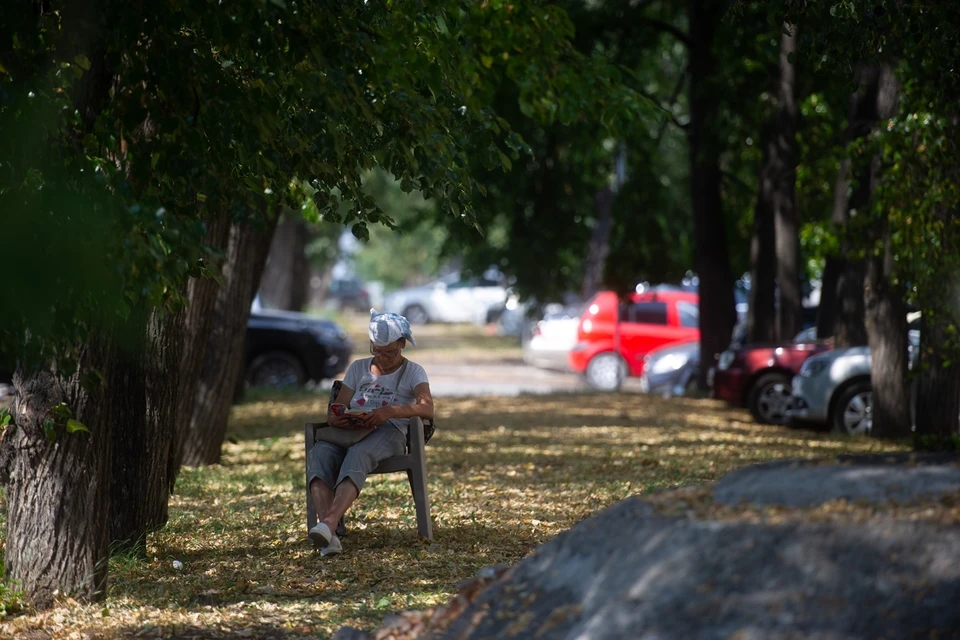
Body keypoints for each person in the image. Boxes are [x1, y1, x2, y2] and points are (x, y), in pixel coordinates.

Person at [306, 310, 434, 556]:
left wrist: (390, 412)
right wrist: (338, 416)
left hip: (390, 431)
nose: (383, 358)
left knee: (359, 453)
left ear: (402, 345)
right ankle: (329, 536)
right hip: (352, 430)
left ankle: (328, 525)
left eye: (390, 353)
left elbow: (427, 407)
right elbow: (340, 405)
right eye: (377, 351)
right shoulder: (358, 368)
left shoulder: (414, 371)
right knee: (319, 454)